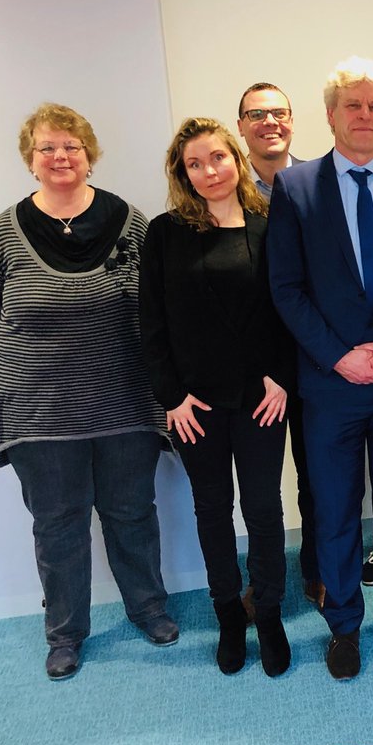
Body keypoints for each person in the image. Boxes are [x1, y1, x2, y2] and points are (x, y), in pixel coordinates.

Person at [0, 103, 177, 681]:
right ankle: (64, 635)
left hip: (125, 399)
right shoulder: (3, 233)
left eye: (72, 146)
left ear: (89, 155)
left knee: (132, 512)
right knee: (57, 524)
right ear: (30, 159)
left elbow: (157, 302)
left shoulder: (129, 222)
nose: (60, 156)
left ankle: (149, 609)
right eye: (48, 148)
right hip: (39, 410)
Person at [267, 56, 373, 680]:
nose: (364, 115)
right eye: (352, 106)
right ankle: (343, 626)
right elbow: (286, 288)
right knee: (334, 510)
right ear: (331, 115)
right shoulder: (296, 187)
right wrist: (337, 356)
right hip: (330, 384)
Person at [139, 117, 294, 677]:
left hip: (261, 398)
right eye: (195, 164)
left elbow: (288, 307)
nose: (209, 171)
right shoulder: (164, 233)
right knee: (212, 510)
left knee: (265, 508)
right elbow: (151, 322)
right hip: (194, 406)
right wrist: (171, 396)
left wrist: (282, 376)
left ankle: (268, 613)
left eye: (217, 158)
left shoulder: (270, 225)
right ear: (183, 174)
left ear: (236, 158)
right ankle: (229, 614)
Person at [236, 82, 321, 611]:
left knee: (318, 478)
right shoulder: (222, 189)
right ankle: (264, 581)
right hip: (254, 364)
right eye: (256, 114)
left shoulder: (317, 183)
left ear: (292, 120)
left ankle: (319, 570)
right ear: (240, 126)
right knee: (260, 486)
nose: (269, 121)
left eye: (279, 112)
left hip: (313, 353)